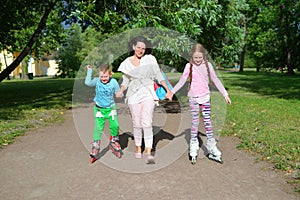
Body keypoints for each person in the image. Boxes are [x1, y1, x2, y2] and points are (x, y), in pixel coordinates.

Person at [167, 43, 231, 165]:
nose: (197, 60)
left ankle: (211, 145)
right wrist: (171, 92)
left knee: (207, 121)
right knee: (195, 122)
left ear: (204, 56)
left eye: (200, 58)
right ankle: (193, 145)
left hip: (205, 97)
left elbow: (216, 80)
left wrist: (225, 94)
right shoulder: (189, 66)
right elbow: (182, 81)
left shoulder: (208, 66)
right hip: (193, 98)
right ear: (192, 56)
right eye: (195, 58)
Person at [116, 36, 172, 164]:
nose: (141, 50)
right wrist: (121, 90)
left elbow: (158, 75)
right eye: (138, 47)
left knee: (146, 122)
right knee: (137, 123)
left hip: (147, 92)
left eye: (143, 48)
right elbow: (125, 81)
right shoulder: (126, 62)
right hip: (133, 94)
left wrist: (167, 89)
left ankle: (148, 151)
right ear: (133, 47)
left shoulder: (150, 59)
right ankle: (138, 148)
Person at [85, 64, 123, 163]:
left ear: (110, 75)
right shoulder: (97, 81)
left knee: (115, 125)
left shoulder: (114, 82)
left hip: (111, 108)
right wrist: (89, 71)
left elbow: (118, 92)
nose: (103, 79)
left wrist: (120, 94)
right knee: (98, 128)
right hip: (99, 109)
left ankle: (114, 141)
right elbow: (87, 82)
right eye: (101, 76)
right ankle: (96, 145)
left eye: (105, 76)